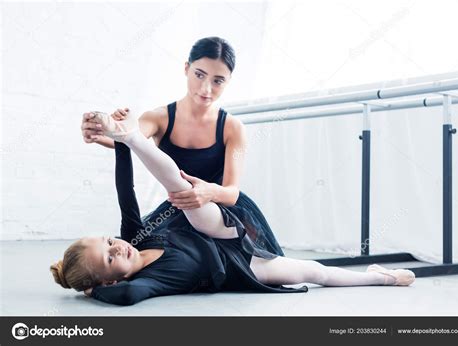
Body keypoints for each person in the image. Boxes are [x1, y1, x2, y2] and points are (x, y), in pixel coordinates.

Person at [50, 37, 415, 306]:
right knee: (310, 271)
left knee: (185, 196)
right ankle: (375, 279)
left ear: (228, 81)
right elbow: (125, 154)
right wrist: (106, 136)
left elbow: (232, 191)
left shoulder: (231, 128)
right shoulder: (159, 118)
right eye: (199, 75)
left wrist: (205, 191)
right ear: (186, 70)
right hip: (221, 252)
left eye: (218, 80)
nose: (206, 88)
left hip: (224, 215)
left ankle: (160, 167)